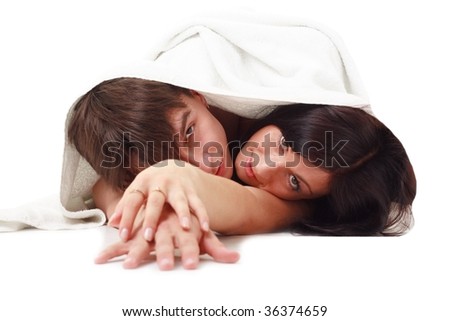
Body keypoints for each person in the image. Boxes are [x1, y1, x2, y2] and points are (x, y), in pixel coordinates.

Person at [68, 77, 416, 269]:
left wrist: (175, 192)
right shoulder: (180, 100)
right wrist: (150, 211)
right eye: (281, 144)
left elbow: (252, 206)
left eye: (294, 181)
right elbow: (102, 181)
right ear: (195, 93)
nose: (203, 161)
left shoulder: (302, 203)